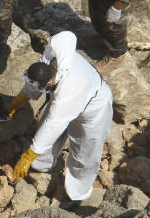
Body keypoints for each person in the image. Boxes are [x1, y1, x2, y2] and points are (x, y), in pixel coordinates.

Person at [7, 31, 113, 201]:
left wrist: (27, 156)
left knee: (85, 151)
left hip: (94, 105)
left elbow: (54, 124)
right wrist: (20, 100)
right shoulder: (49, 61)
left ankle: (78, 192)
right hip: (68, 98)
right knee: (44, 136)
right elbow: (35, 84)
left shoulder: (68, 90)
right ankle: (41, 166)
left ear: (50, 82)